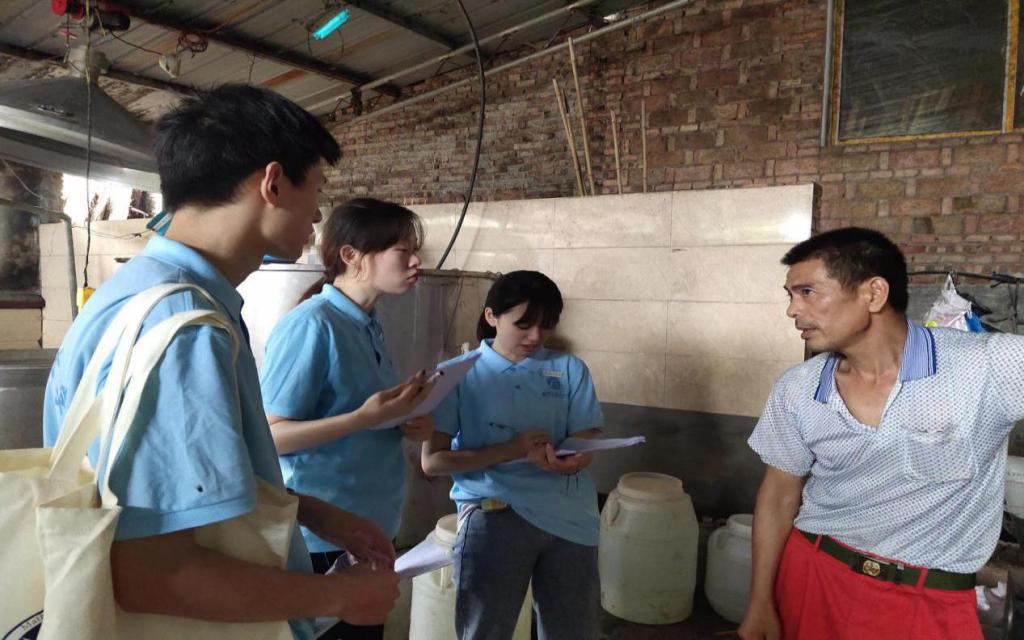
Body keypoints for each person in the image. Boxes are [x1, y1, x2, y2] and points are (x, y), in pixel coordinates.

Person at [42, 84, 399, 639]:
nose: (317, 213)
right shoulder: (185, 328)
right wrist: (342, 595)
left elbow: (175, 484)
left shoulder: (137, 291)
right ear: (273, 183)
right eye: (316, 189)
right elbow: (152, 574)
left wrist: (311, 511)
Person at [738, 227, 1024, 640]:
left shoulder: (989, 365)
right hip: (813, 576)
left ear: (873, 293)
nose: (792, 310)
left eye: (808, 292)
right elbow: (779, 494)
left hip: (929, 599)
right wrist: (759, 600)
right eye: (791, 295)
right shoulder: (798, 389)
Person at [260, 198, 435, 640]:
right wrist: (362, 418)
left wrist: (403, 420)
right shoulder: (312, 325)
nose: (415, 262)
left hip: (370, 528)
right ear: (351, 255)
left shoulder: (367, 323)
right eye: (402, 251)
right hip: (324, 538)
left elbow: (358, 414)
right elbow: (269, 437)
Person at [422, 270, 604, 640]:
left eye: (546, 325)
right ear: (492, 316)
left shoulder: (569, 369)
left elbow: (585, 438)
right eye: (523, 324)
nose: (535, 336)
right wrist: (513, 450)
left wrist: (573, 460)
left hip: (570, 516)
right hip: (495, 514)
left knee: (573, 629)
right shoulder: (457, 374)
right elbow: (433, 461)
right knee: (487, 628)